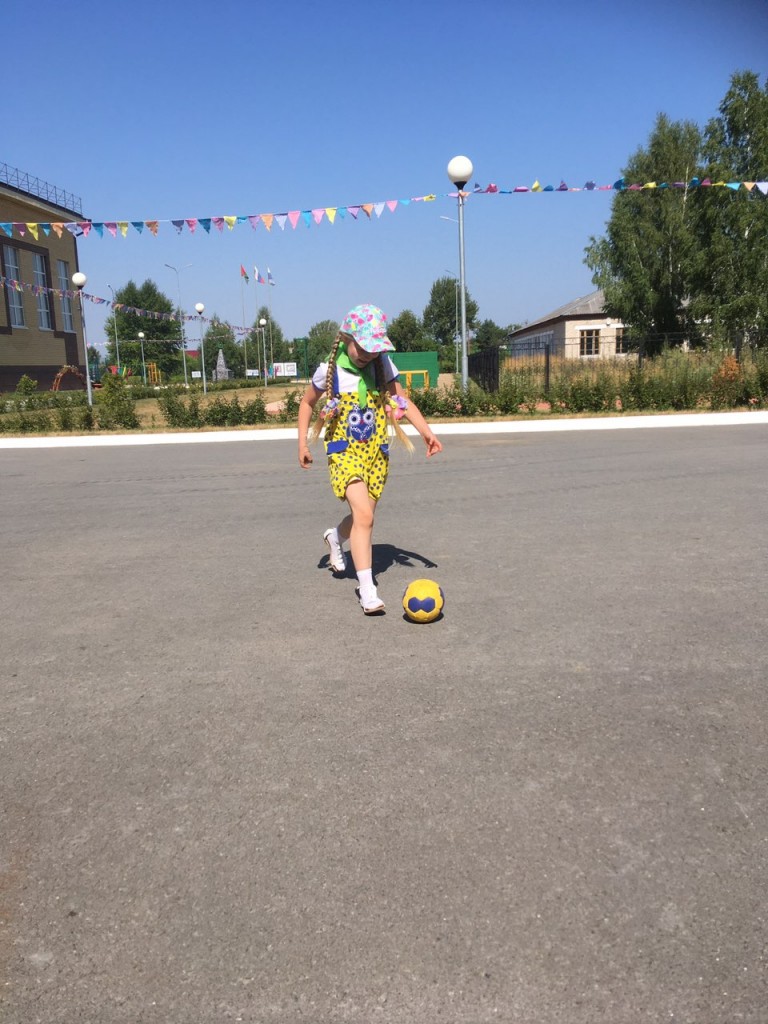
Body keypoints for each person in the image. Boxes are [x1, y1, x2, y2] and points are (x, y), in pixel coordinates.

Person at [298, 303, 442, 614]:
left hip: (376, 454)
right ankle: (367, 589)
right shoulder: (330, 371)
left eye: (374, 349)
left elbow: (403, 401)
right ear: (346, 339)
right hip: (344, 453)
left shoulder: (382, 365)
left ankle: (335, 537)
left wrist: (427, 433)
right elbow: (306, 404)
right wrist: (302, 445)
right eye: (363, 347)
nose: (368, 354)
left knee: (361, 517)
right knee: (365, 516)